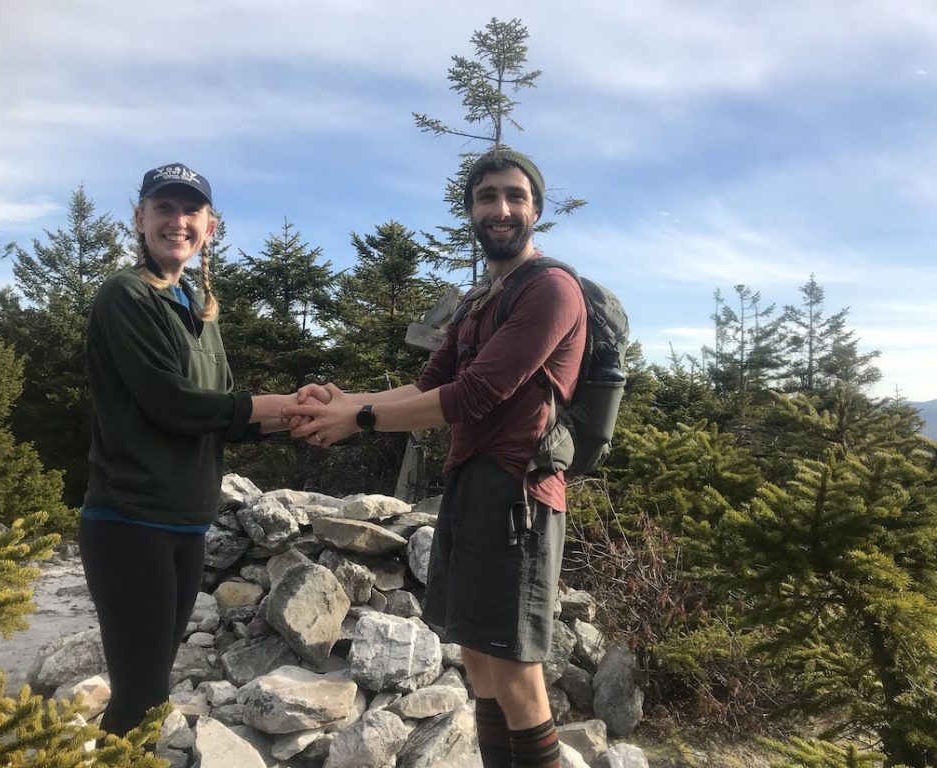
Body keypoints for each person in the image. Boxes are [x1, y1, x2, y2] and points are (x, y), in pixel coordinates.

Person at [284, 147, 585, 768]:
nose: (500, 209)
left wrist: (357, 419)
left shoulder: (551, 290)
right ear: (470, 209)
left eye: (514, 196)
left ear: (536, 210)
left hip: (517, 497)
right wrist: (345, 402)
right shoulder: (480, 298)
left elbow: (475, 394)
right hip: (471, 486)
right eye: (486, 197)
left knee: (518, 675)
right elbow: (427, 385)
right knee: (478, 660)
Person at [80, 163, 298, 736]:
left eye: (190, 211)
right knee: (140, 695)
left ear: (211, 226)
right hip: (130, 520)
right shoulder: (126, 296)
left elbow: (221, 415)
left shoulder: (197, 306)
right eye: (163, 208)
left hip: (185, 522)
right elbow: (171, 404)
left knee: (154, 687)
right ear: (140, 218)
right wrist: (277, 403)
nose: (177, 221)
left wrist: (297, 417)